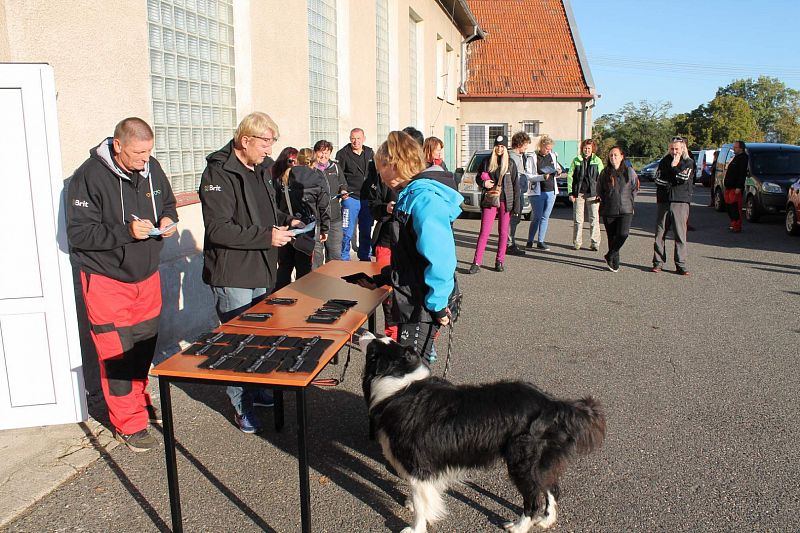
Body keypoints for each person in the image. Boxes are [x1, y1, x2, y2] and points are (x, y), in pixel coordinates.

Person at [67, 117, 177, 452]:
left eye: (148, 152)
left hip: (147, 278)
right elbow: (79, 234)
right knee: (116, 355)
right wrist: (125, 233)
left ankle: (138, 404)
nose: (145, 159)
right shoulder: (88, 176)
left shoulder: (151, 167)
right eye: (138, 153)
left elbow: (168, 203)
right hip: (106, 280)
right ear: (117, 145)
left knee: (142, 349)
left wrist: (169, 220)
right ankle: (127, 424)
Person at [199, 112, 298, 433]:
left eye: (272, 142)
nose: (270, 149)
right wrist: (267, 236)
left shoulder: (260, 170)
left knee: (260, 337)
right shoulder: (218, 172)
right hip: (233, 274)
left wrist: (287, 220)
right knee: (237, 342)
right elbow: (219, 230)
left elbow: (264, 211)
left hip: (262, 268)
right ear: (246, 140)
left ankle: (256, 388)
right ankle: (241, 402)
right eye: (265, 142)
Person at [357, 130, 461, 362]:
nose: (379, 175)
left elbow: (440, 258)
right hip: (413, 298)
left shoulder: (424, 198)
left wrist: (437, 304)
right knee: (411, 371)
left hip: (423, 304)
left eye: (380, 167)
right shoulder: (410, 194)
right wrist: (384, 278)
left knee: (411, 374)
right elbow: (409, 255)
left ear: (394, 164)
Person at [274, 148, 331, 289]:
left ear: (297, 160)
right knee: (304, 266)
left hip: (285, 226)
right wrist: (325, 228)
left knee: (284, 265)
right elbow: (324, 206)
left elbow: (274, 203)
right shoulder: (318, 178)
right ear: (314, 162)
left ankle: (280, 298)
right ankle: (301, 298)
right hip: (306, 228)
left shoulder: (284, 176)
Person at [468, 135, 521, 273]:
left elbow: (516, 186)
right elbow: (479, 177)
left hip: (505, 201)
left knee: (503, 233)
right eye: (497, 146)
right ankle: (476, 263)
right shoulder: (486, 161)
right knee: (484, 232)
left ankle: (499, 261)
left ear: (505, 147)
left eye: (502, 146)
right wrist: (483, 182)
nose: (499, 148)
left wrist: (517, 206)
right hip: (490, 199)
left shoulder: (510, 164)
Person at [652, 136, 694, 275]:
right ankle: (658, 262)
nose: (674, 151)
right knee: (660, 233)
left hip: (680, 201)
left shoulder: (688, 162)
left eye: (677, 149)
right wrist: (673, 177)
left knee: (680, 234)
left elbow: (683, 178)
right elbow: (657, 179)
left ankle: (680, 264)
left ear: (683, 149)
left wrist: (674, 167)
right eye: (672, 148)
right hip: (664, 201)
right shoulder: (664, 161)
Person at [597, 146, 638, 272]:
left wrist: (631, 202)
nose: (613, 157)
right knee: (612, 236)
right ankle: (614, 261)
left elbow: (634, 188)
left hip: (626, 209)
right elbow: (600, 190)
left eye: (615, 155)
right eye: (611, 155)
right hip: (609, 209)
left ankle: (610, 254)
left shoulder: (629, 171)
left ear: (621, 156)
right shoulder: (605, 173)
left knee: (623, 234)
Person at [336, 128, 375, 261]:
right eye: (353, 138)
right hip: (350, 198)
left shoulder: (370, 153)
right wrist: (342, 189)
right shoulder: (342, 154)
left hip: (367, 198)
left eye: (358, 138)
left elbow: (375, 173)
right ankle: (344, 256)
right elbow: (338, 175)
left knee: (366, 230)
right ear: (349, 138)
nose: (356, 141)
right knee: (346, 232)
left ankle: (365, 256)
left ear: (364, 138)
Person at [313, 140, 347, 266]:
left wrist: (343, 191)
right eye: (321, 152)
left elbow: (343, 183)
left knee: (335, 255)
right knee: (316, 257)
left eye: (327, 153)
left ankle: (333, 282)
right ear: (315, 152)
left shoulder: (335, 167)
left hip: (334, 218)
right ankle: (316, 282)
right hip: (317, 220)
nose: (323, 156)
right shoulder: (310, 169)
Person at [526, 135, 562, 251]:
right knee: (537, 217)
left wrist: (558, 171)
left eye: (550, 149)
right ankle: (530, 240)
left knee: (545, 217)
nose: (548, 151)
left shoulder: (552, 155)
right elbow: (528, 176)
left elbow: (556, 169)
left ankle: (540, 241)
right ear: (541, 146)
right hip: (537, 192)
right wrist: (542, 177)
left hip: (551, 191)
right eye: (547, 148)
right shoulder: (533, 157)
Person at [568, 139, 604, 251]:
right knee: (578, 219)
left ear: (592, 149)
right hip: (578, 193)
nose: (587, 150)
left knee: (594, 219)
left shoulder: (597, 161)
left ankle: (595, 243)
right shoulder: (576, 160)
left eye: (589, 148)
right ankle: (577, 242)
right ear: (582, 148)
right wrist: (571, 193)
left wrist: (600, 193)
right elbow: (570, 176)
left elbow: (601, 178)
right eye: (585, 148)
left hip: (593, 194)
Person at [506, 131, 532, 256]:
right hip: (514, 193)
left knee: (515, 219)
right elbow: (512, 178)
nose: (527, 147)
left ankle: (510, 242)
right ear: (520, 143)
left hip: (519, 192)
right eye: (526, 144)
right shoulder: (512, 157)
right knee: (512, 218)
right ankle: (509, 244)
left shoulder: (519, 156)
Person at [724, 141, 748, 233]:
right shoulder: (736, 157)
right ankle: (732, 223)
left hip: (735, 187)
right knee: (729, 206)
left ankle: (737, 225)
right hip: (729, 186)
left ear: (741, 148)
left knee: (735, 207)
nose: (734, 149)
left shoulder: (743, 158)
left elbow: (742, 174)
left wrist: (739, 186)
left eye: (735, 147)